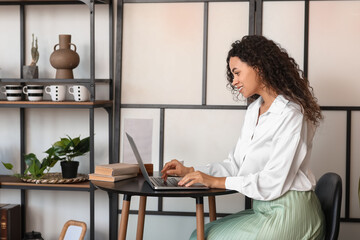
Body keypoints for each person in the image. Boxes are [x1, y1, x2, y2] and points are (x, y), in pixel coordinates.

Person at [161, 35, 325, 239]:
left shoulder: (291, 114)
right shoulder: (254, 110)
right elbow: (237, 166)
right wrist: (192, 172)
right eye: (232, 75)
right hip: (264, 210)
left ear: (259, 67)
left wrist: (215, 181)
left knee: (201, 237)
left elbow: (274, 181)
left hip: (291, 212)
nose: (234, 81)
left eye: (237, 73)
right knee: (201, 233)